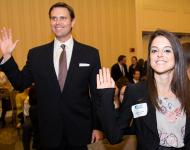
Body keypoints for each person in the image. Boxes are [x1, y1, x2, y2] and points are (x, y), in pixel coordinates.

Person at [0, 2, 103, 150]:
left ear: (73, 21)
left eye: (63, 18)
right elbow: (20, 83)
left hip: (80, 131)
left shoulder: (90, 54)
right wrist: (8, 57)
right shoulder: (36, 55)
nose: (57, 22)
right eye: (53, 18)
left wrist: (97, 127)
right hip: (48, 133)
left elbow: (96, 95)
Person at [97, 29, 190, 149]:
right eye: (154, 50)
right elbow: (114, 136)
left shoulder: (187, 90)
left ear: (177, 56)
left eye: (167, 50)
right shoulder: (136, 91)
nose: (160, 54)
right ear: (150, 57)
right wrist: (105, 96)